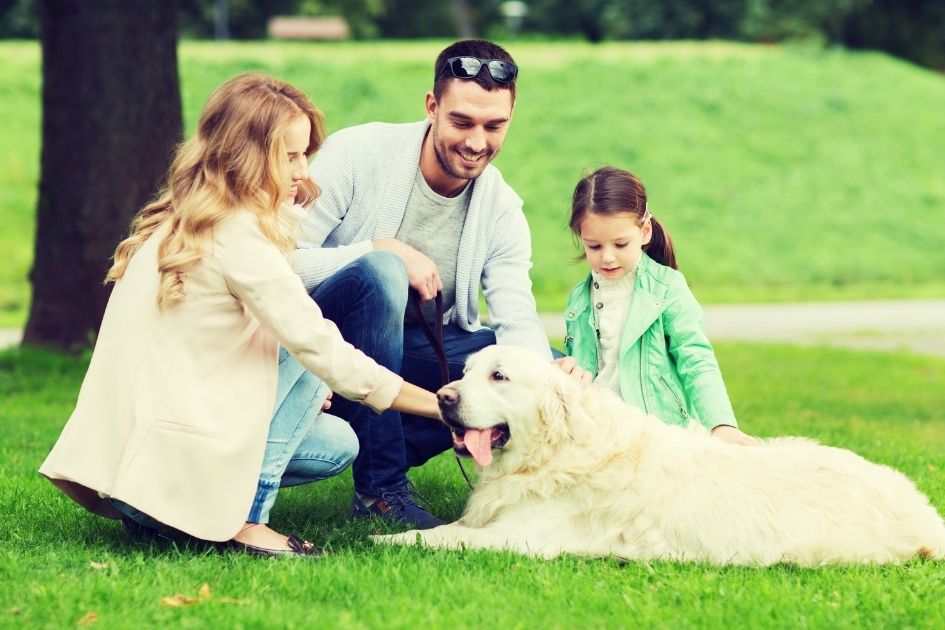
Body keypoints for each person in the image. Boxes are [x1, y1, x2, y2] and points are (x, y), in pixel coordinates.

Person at [38, 73, 442, 558]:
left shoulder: (183, 219)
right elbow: (321, 348)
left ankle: (169, 515)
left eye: (304, 154)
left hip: (140, 460)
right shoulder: (239, 235)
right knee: (315, 356)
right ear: (249, 156)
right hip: (174, 449)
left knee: (338, 443)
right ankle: (246, 519)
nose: (303, 170)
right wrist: (445, 408)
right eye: (289, 156)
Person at [283, 39, 581, 530]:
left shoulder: (502, 210)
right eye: (462, 122)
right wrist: (381, 249)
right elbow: (280, 262)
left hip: (409, 354)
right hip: (320, 344)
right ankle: (382, 492)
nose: (477, 142)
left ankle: (535, 485)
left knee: (513, 364)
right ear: (432, 106)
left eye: (494, 126)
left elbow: (515, 317)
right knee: (382, 273)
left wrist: (547, 375)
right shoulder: (357, 153)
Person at [563, 166, 756, 445]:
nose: (607, 257)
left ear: (644, 232)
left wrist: (721, 424)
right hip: (598, 435)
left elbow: (696, 359)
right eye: (594, 246)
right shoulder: (578, 300)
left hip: (658, 436)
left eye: (620, 244)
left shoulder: (667, 289)